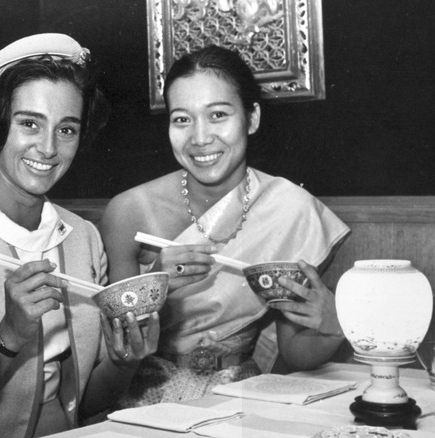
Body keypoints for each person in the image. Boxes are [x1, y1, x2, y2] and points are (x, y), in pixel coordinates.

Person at [0, 33, 160, 437]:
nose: (48, 148)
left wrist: (124, 363)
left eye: (67, 130)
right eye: (29, 124)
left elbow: (84, 404)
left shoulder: (84, 238)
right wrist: (8, 337)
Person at [100, 45, 351, 405]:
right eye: (182, 119)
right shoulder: (130, 211)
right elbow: (120, 349)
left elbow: (295, 353)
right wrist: (154, 284)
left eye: (218, 114)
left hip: (243, 400)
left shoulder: (289, 208)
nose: (200, 138)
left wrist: (332, 323)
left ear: (251, 119)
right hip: (146, 401)